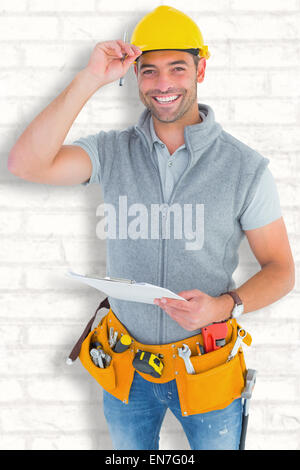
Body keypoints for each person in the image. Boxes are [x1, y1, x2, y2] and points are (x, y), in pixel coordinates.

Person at [8, 6, 295, 450]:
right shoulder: (110, 151)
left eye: (177, 68)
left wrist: (222, 306)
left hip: (207, 366)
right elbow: (26, 164)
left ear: (201, 68)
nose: (163, 84)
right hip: (127, 369)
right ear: (134, 77)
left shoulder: (245, 168)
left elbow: (281, 270)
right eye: (149, 71)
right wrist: (89, 78)